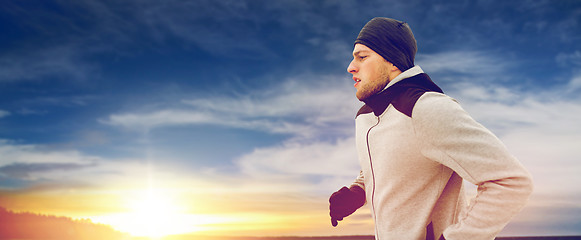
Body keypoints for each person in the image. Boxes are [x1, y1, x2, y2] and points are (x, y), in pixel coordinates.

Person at [328, 17, 533, 240]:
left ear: (393, 62)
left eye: (362, 57)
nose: (350, 67)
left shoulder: (427, 109)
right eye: (352, 58)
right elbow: (388, 162)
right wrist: (358, 191)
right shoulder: (366, 116)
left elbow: (511, 181)